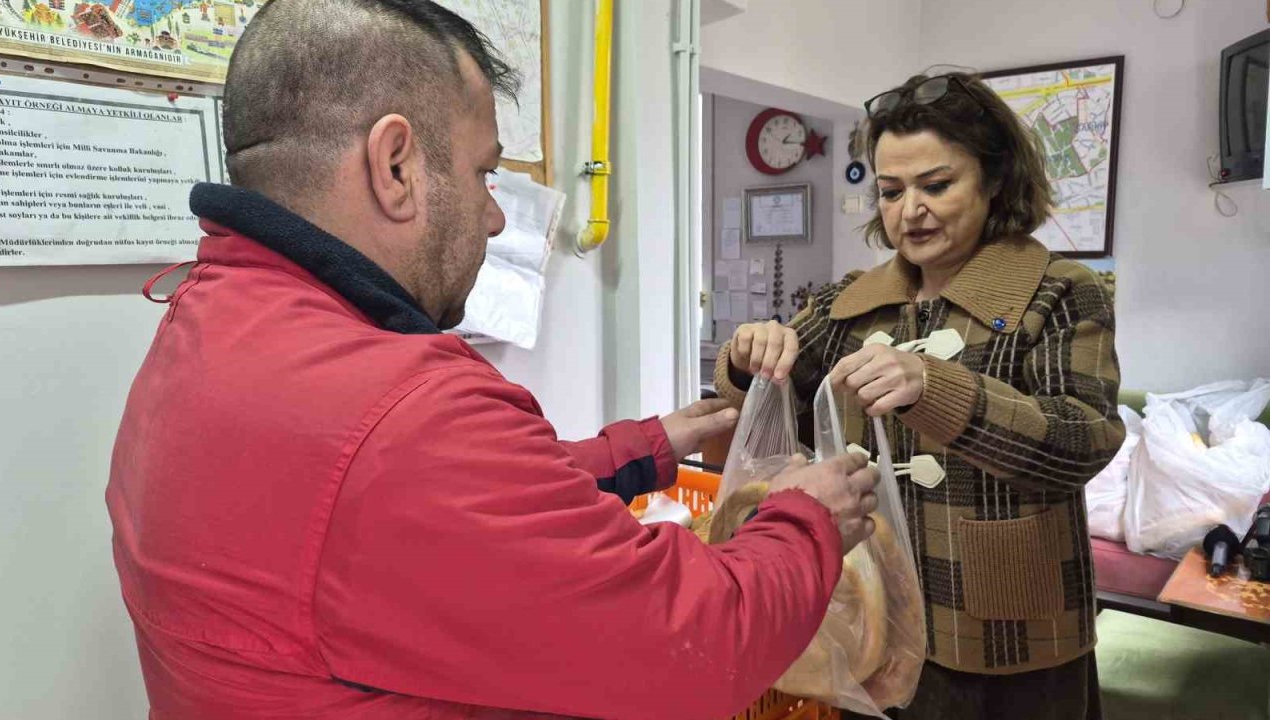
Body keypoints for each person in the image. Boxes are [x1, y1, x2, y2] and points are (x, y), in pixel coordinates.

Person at [106, 1, 882, 718]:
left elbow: (436, 514)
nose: (495, 213)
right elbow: (701, 645)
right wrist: (806, 519)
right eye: (483, 173)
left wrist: (644, 448)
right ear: (397, 165)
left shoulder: (205, 322)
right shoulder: (408, 408)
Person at [714, 72, 1126, 720]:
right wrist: (747, 360)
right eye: (891, 191)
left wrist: (936, 387)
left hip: (1008, 633)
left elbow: (1083, 441)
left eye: (937, 185)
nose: (911, 211)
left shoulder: (1060, 291)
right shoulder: (849, 302)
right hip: (870, 611)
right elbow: (775, 407)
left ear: (993, 180)